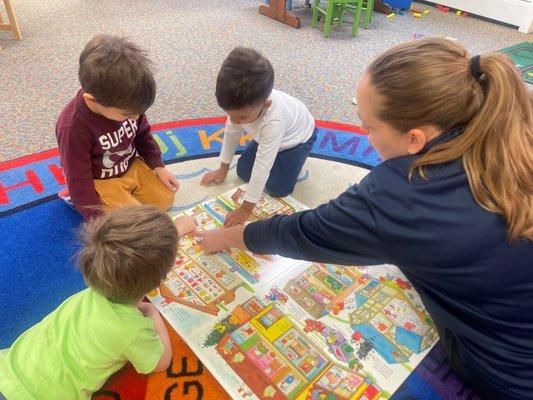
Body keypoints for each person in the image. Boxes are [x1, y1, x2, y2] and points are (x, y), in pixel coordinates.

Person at [196, 38, 533, 400]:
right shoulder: (509, 124)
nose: (363, 134)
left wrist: (227, 237)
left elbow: (301, 232)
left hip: (510, 371)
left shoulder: (399, 196)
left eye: (368, 126)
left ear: (415, 139)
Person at [0, 206, 196, 399]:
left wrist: (176, 231)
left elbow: (141, 257)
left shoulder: (92, 290)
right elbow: (162, 362)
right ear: (156, 281)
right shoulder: (131, 330)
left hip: (7, 369)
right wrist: (152, 312)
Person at [56, 34, 179, 220]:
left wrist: (158, 166)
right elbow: (78, 176)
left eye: (138, 112)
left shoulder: (129, 103)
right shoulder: (73, 128)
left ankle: (125, 198)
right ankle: (73, 198)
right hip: (100, 182)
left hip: (131, 167)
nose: (136, 117)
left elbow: (143, 135)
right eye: (127, 115)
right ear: (92, 99)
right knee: (132, 222)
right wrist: (94, 215)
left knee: (165, 200)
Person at [201, 47, 317, 227]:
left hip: (297, 140)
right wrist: (223, 168)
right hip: (265, 137)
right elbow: (231, 133)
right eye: (229, 114)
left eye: (241, 117)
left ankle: (295, 160)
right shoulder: (242, 106)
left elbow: (263, 165)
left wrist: (246, 209)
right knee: (243, 171)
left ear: (266, 104)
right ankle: (280, 162)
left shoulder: (273, 121)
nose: (234, 120)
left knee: (278, 188)